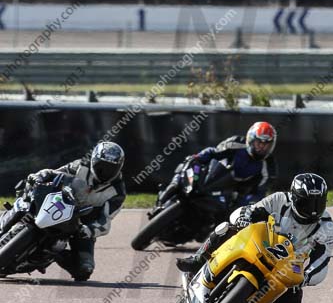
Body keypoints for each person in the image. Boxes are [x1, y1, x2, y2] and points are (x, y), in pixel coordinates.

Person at [177, 173, 333, 303]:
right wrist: (245, 218)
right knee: (227, 228)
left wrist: (306, 278)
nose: (313, 210)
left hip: (287, 266)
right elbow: (254, 210)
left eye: (318, 203)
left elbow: (322, 261)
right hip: (262, 244)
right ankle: (198, 259)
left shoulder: (327, 227)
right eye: (306, 203)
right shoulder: (280, 200)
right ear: (294, 198)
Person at [4, 142, 126, 282]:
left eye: (111, 168)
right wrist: (40, 176)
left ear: (119, 167)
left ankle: (52, 252)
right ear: (93, 161)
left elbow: (105, 220)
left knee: (84, 270)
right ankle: (4, 226)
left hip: (80, 225)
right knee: (25, 203)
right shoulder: (81, 166)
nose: (104, 171)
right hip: (59, 203)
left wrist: (89, 230)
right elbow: (55, 173)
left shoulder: (118, 192)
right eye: (101, 165)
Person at [155, 121, 277, 213]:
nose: (262, 147)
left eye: (266, 144)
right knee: (186, 167)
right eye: (259, 143)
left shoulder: (269, 166)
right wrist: (198, 157)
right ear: (251, 139)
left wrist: (245, 201)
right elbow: (213, 151)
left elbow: (260, 191)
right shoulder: (236, 143)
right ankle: (161, 202)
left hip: (233, 193)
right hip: (214, 175)